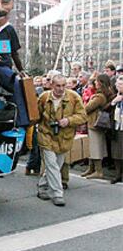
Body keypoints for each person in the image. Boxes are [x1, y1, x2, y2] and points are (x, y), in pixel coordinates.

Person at [36, 74, 87, 206]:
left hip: (64, 137)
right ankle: (57, 193)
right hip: (46, 134)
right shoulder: (43, 97)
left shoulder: (74, 97)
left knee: (56, 165)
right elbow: (37, 115)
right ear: (52, 85)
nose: (61, 89)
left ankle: (42, 186)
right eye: (58, 85)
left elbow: (82, 116)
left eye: (63, 85)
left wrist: (68, 121)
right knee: (52, 164)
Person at [81, 74, 114, 179]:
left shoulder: (99, 96)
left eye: (96, 81)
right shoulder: (104, 94)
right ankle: (91, 168)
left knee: (96, 147)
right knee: (92, 147)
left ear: (100, 83)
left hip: (95, 123)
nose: (94, 83)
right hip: (96, 123)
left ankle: (98, 171)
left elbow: (87, 108)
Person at [110, 76, 123, 184]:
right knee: (116, 152)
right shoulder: (115, 96)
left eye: (120, 85)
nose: (118, 87)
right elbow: (106, 108)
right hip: (117, 127)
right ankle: (117, 174)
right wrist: (114, 102)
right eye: (117, 85)